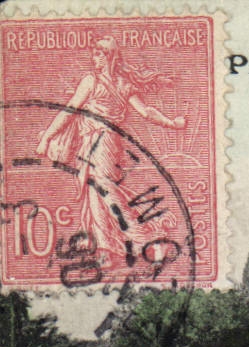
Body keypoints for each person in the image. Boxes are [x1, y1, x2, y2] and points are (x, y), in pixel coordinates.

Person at [34, 38, 188, 271]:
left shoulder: (97, 82)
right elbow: (71, 111)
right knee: (95, 193)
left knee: (103, 187)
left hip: (104, 143)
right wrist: (47, 136)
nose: (93, 59)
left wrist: (172, 123)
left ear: (108, 56)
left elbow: (144, 111)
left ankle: (142, 239)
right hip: (92, 144)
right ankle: (106, 250)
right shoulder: (108, 82)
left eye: (97, 54)